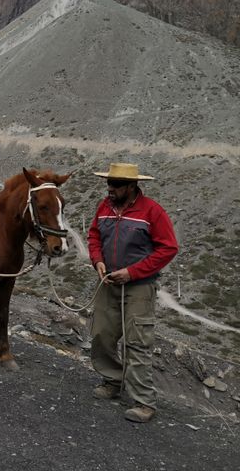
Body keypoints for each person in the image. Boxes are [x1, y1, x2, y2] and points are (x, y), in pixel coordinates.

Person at [87, 162, 178, 423]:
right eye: (109, 183)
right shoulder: (104, 208)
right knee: (101, 334)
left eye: (116, 184)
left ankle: (144, 402)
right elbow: (94, 236)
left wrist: (133, 272)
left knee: (137, 341)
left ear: (132, 186)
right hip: (108, 283)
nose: (110, 188)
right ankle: (113, 381)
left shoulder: (152, 211)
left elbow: (168, 248)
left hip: (139, 287)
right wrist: (97, 261)